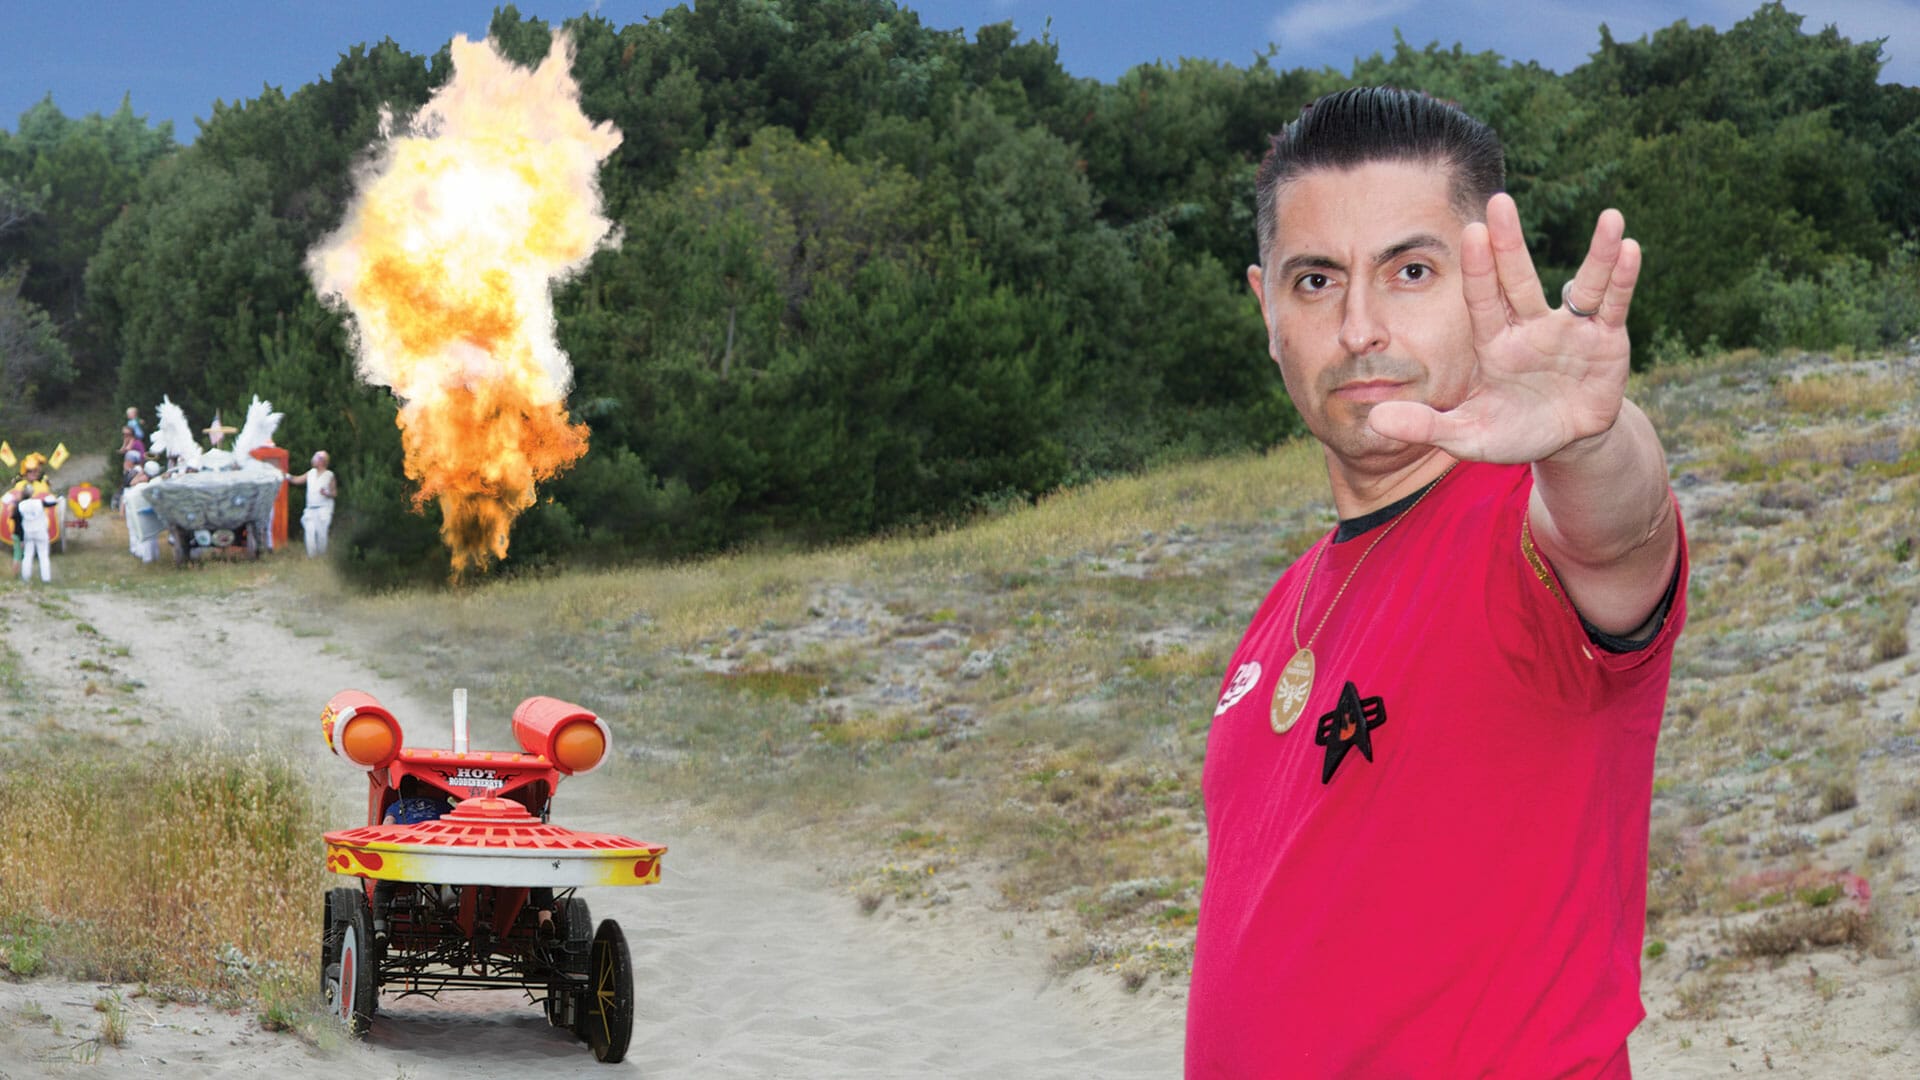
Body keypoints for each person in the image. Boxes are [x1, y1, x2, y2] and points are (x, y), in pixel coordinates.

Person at [1186, 88, 1687, 1079]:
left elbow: (1621, 532)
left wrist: (1588, 438)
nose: (1360, 325)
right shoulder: (1283, 606)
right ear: (1267, 311)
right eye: (1316, 280)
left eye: (1409, 271)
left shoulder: (1524, 534)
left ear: (1481, 280)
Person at [286, 450, 337, 557]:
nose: (314, 460)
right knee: (309, 532)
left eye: (317, 458)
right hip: (310, 509)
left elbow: (334, 493)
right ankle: (312, 557)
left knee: (321, 534)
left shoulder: (329, 475)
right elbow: (297, 480)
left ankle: (321, 556)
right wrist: (286, 476)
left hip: (324, 509)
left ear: (323, 461)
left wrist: (326, 493)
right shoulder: (311, 473)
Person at [16, 495, 52, 583]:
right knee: (43, 555)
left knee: (27, 555)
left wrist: (21, 539)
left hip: (28, 532)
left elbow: (18, 521)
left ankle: (25, 577)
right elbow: (50, 504)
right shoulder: (39, 502)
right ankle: (46, 578)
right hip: (40, 531)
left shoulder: (21, 505)